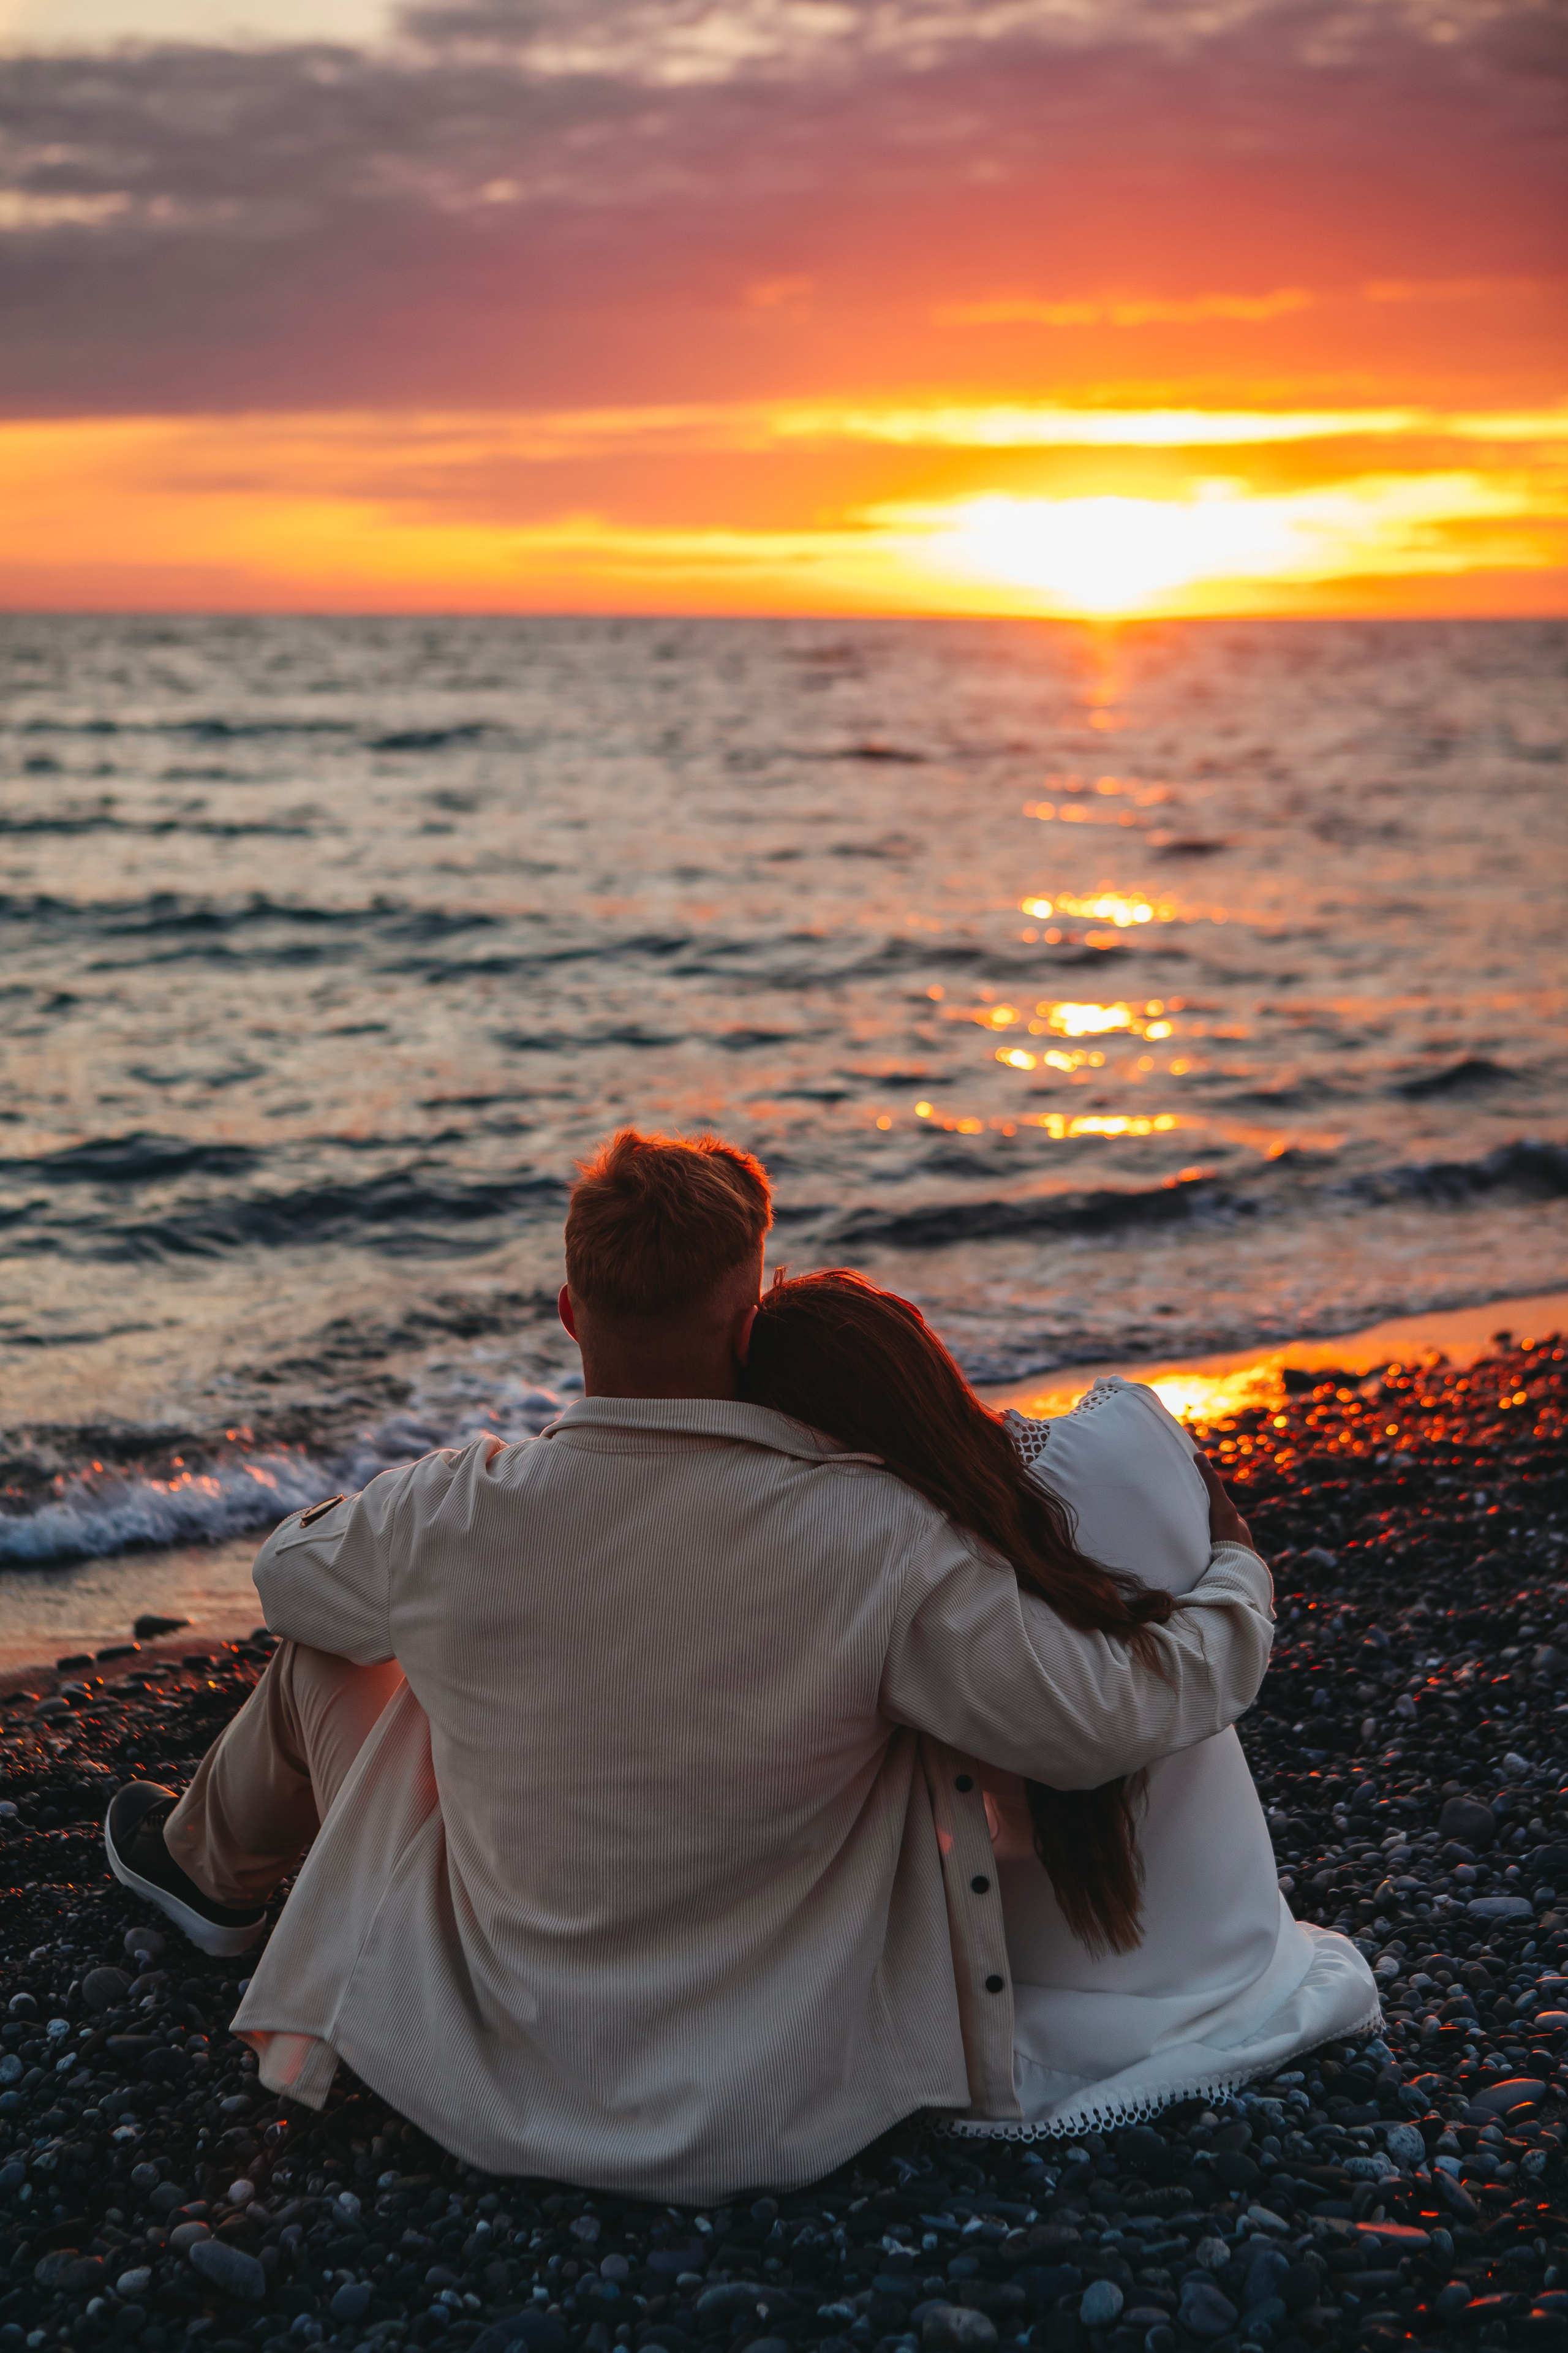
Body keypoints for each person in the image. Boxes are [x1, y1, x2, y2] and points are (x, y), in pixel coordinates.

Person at [104, 1127, 1277, 2201]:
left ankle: (207, 1875)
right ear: (749, 1315)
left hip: (492, 2085)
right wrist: (1236, 1578)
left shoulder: (458, 1505)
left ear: (571, 1312)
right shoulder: (872, 1533)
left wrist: (419, 1547)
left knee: (345, 1648)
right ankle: (206, 1871)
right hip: (785, 2109)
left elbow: (284, 1582)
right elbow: (1105, 1712)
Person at [740, 1269, 1378, 2137]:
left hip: (1064, 2005)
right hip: (1241, 1940)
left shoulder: (897, 1572)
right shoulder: (1134, 1425)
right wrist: (1241, 1570)